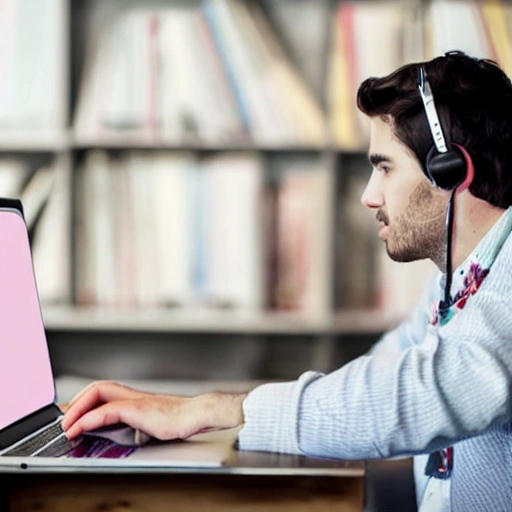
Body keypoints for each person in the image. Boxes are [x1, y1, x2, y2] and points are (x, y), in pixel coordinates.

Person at [62, 51, 512, 512]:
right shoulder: (463, 279)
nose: (368, 196)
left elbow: (425, 391)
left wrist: (209, 411)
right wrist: (192, 410)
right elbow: (377, 377)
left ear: (450, 171)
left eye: (384, 168)